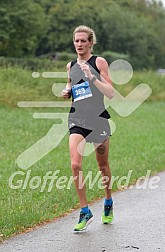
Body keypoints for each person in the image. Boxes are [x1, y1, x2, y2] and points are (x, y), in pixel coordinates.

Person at [62, 25, 114, 232]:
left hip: (98, 120)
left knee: (102, 166)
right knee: (75, 165)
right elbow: (71, 85)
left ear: (91, 42)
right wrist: (67, 91)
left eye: (84, 40)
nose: (80, 44)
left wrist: (92, 76)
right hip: (77, 119)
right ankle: (85, 210)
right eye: (77, 41)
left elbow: (110, 93)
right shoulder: (70, 65)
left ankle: (108, 202)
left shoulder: (98, 62)